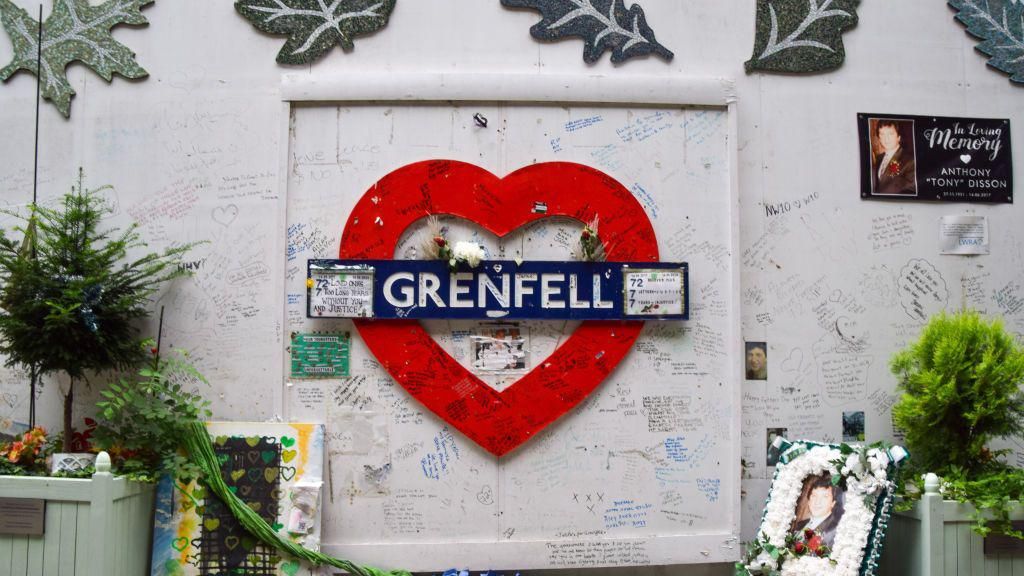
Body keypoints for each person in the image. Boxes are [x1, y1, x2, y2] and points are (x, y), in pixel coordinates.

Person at [790, 474, 844, 549]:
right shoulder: (800, 525)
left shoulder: (835, 531)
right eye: (814, 496)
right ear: (808, 500)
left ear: (833, 503)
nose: (817, 502)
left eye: (825, 497)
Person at [871, 120, 917, 195]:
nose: (886, 139)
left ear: (899, 137)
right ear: (879, 138)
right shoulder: (879, 158)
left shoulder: (910, 160)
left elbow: (911, 190)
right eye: (882, 134)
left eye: (890, 134)